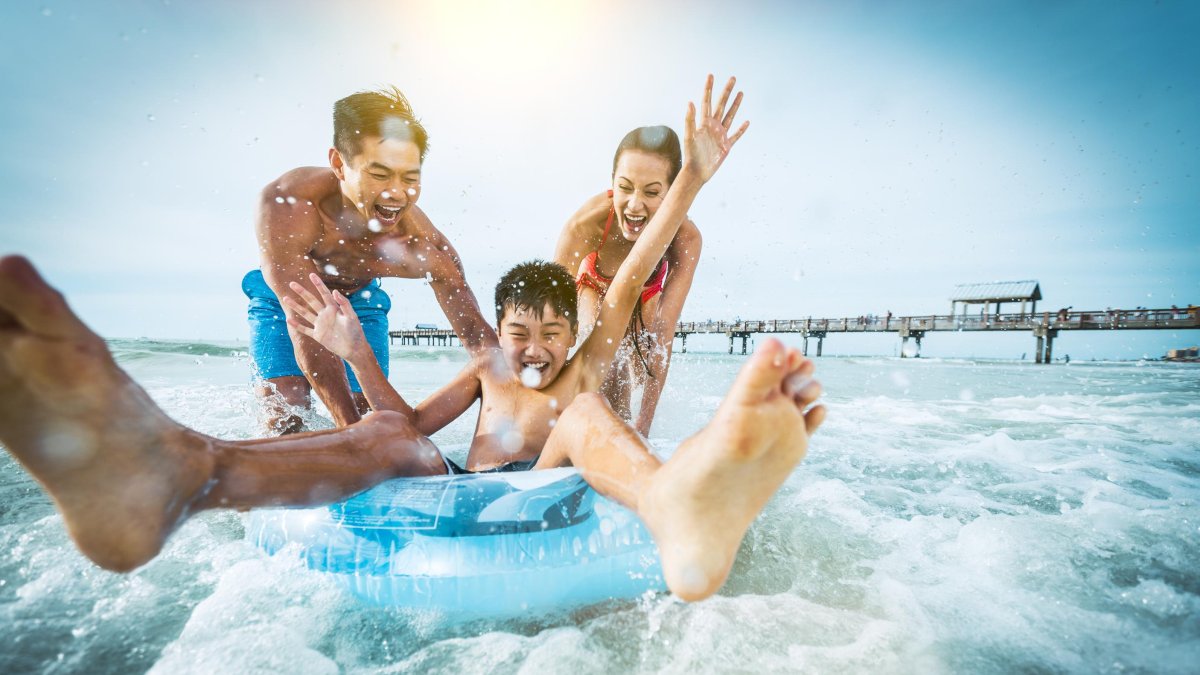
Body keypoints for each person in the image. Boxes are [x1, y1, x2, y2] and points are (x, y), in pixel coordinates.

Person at [0, 76, 825, 602]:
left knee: (578, 422)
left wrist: (690, 179)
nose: (531, 349)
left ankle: (669, 501)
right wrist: (356, 355)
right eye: (516, 333)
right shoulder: (489, 372)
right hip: (463, 482)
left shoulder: (582, 371)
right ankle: (181, 471)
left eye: (549, 334)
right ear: (497, 333)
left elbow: (633, 268)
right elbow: (396, 425)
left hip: (543, 490)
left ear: (575, 330)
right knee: (383, 433)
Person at [247, 86, 492, 434]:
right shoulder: (288, 205)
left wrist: (510, 396)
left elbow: (478, 337)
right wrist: (350, 434)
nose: (396, 193)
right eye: (380, 174)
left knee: (369, 413)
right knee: (286, 415)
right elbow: (304, 317)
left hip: (360, 299)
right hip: (282, 299)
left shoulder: (418, 242)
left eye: (410, 177)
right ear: (339, 164)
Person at [552, 94, 739, 435]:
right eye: (624, 187)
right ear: (612, 181)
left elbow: (664, 336)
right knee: (608, 371)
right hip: (595, 285)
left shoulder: (686, 239)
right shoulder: (585, 225)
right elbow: (550, 316)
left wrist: (644, 429)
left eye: (652, 193)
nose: (634, 205)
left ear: (672, 191)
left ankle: (622, 436)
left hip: (645, 294)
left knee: (633, 374)